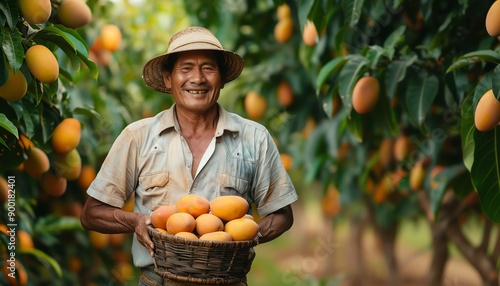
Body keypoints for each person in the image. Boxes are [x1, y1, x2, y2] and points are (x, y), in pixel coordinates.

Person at [80, 26, 298, 286]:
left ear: (222, 79)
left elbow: (282, 213)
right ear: (167, 79)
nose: (198, 78)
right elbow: (92, 214)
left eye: (208, 68)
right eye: (185, 69)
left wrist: (246, 236)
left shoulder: (254, 138)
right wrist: (137, 221)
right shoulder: (137, 137)